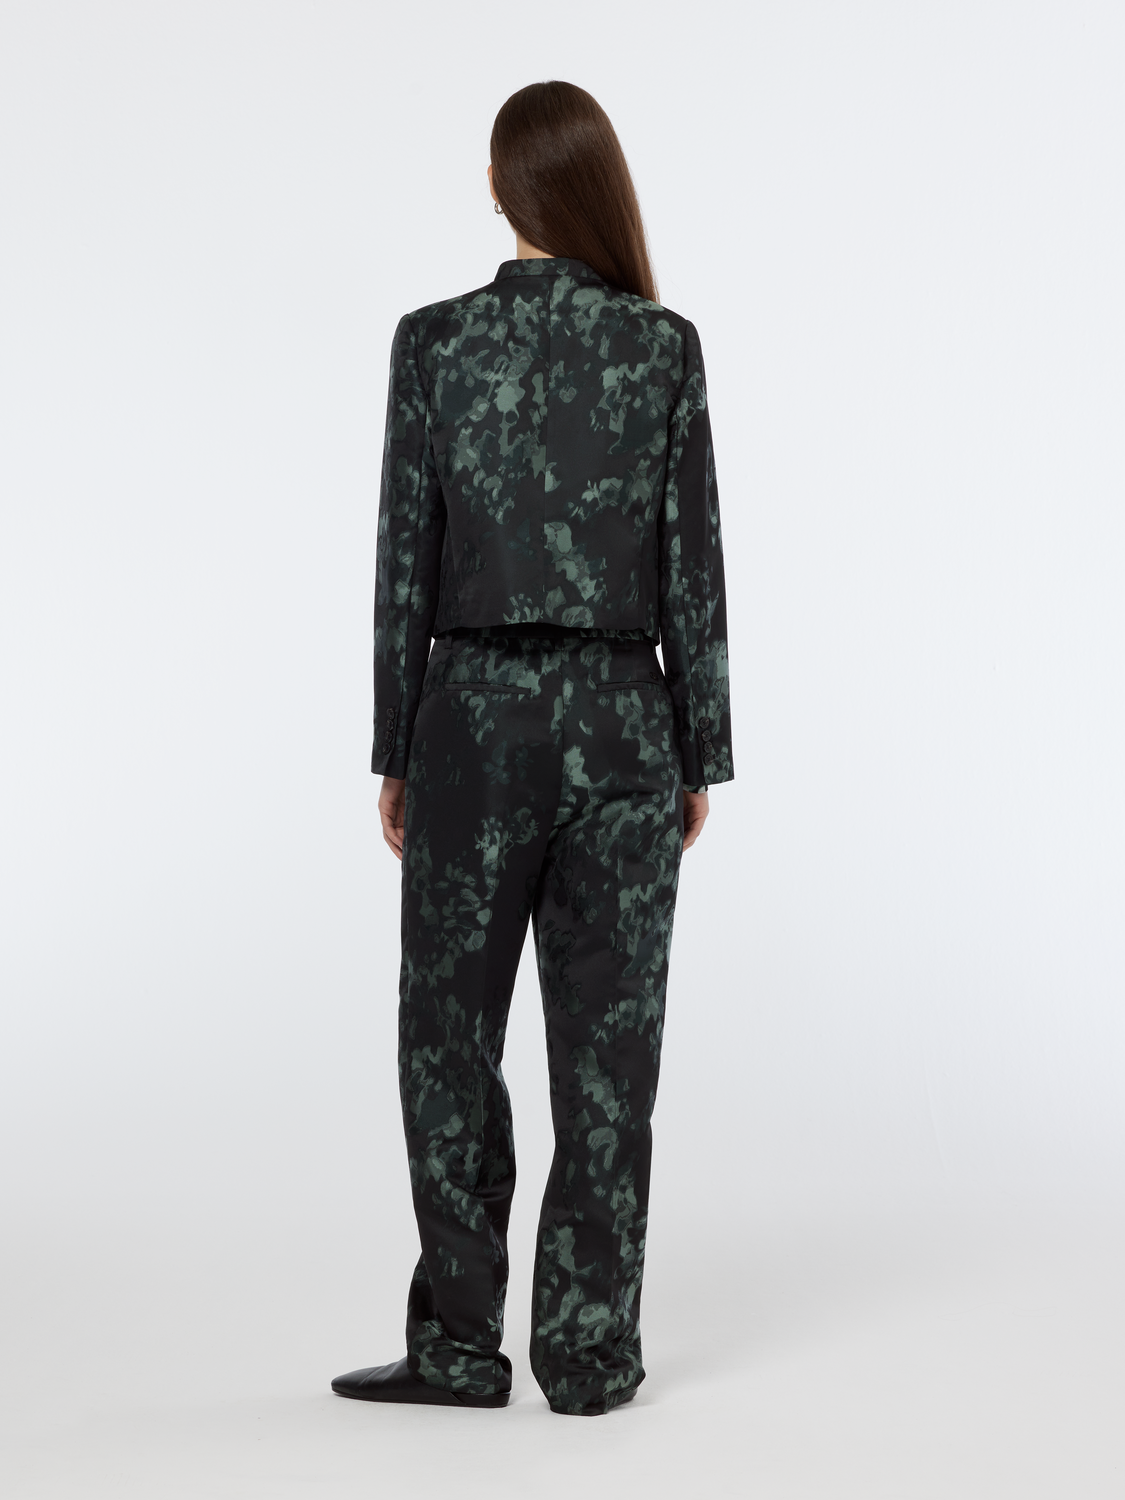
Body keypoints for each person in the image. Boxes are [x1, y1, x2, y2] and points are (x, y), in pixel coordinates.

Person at [332, 80, 732, 1418]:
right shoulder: (662, 349)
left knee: (448, 1036)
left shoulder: (435, 343)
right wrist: (697, 751)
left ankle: (459, 1347)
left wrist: (395, 747)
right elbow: (694, 568)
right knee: (611, 1053)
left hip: (475, 724)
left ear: (502, 189)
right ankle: (589, 1355)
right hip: (625, 722)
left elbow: (406, 561)